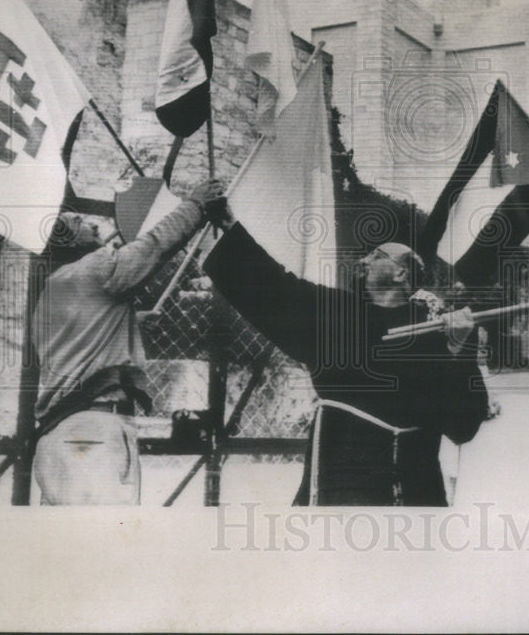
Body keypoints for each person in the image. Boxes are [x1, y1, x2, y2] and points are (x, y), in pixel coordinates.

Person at [202, 198, 489, 506]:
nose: (363, 262)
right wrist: (230, 227)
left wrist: (459, 350)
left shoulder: (438, 332)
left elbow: (463, 427)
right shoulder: (337, 316)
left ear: (401, 274)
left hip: (416, 495)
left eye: (375, 255)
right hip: (343, 486)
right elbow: (277, 287)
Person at [31, 179, 225, 504]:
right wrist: (195, 205)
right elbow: (152, 246)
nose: (91, 222)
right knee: (107, 546)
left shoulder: (50, 293)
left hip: (56, 437)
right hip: (91, 436)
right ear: (61, 239)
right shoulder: (95, 268)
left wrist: (131, 323)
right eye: (76, 221)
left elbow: (80, 337)